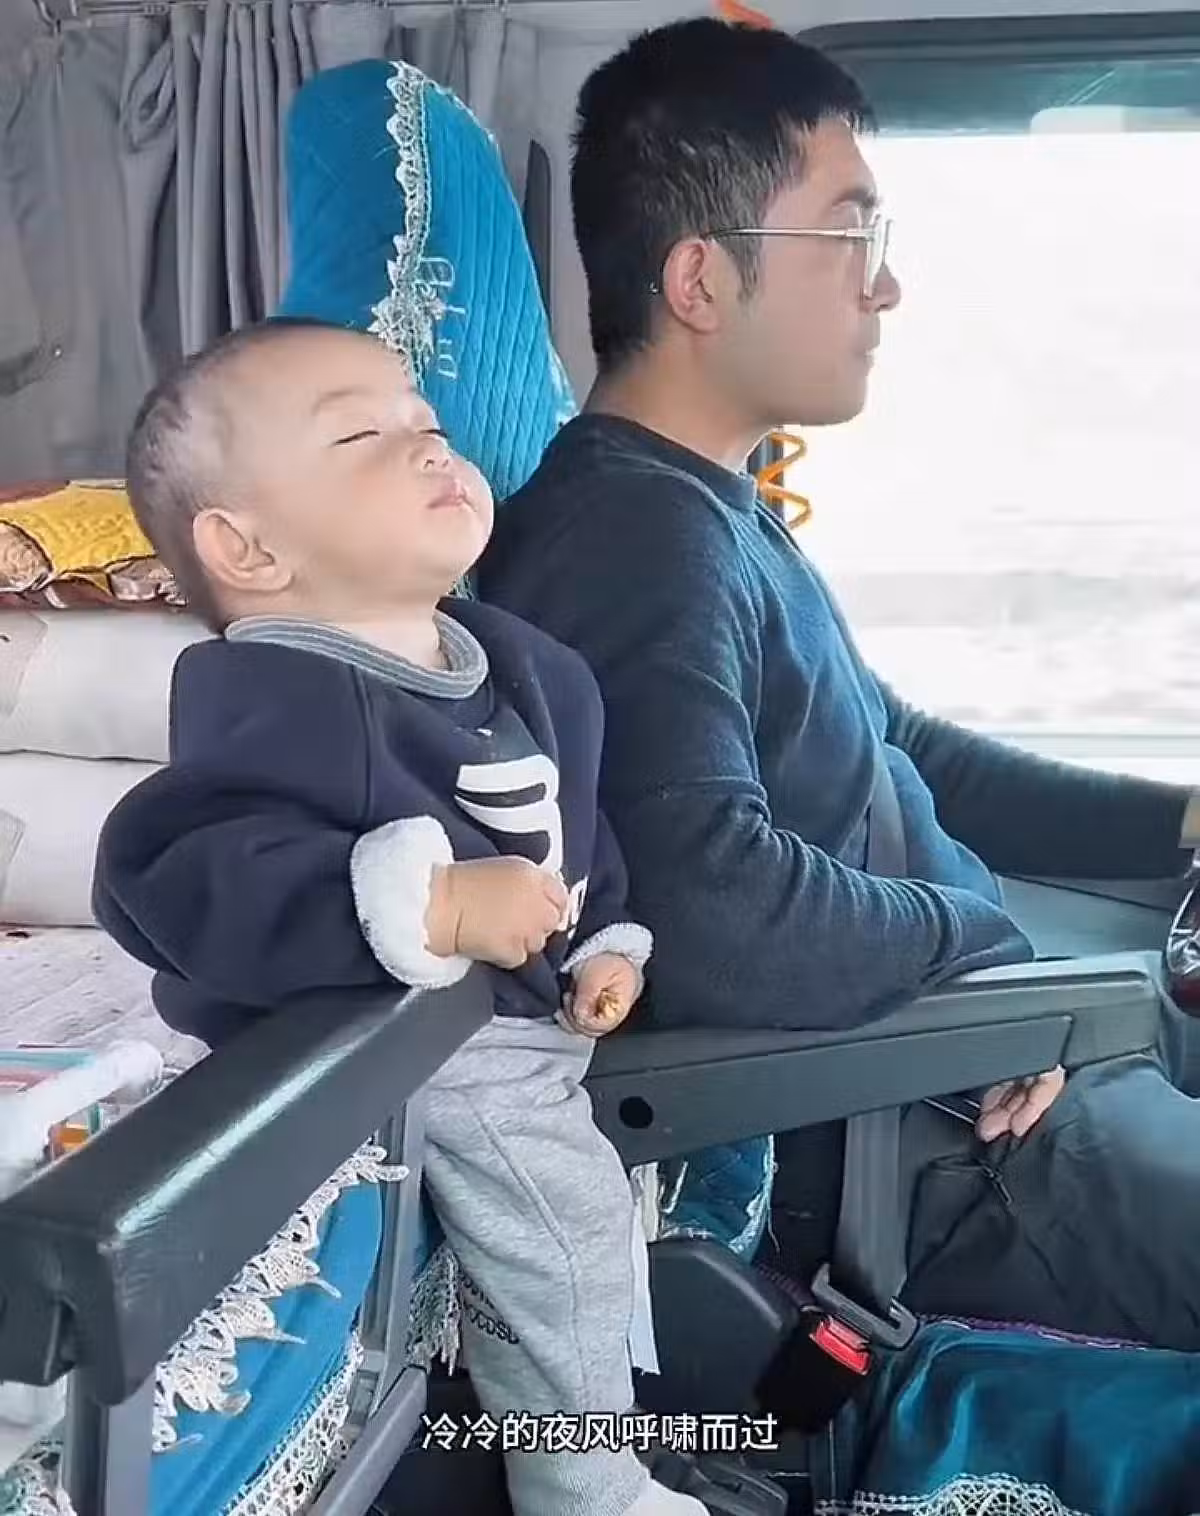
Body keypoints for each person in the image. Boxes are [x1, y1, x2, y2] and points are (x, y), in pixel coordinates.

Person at [479, 17, 1200, 1351]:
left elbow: (899, 746)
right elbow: (708, 907)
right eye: (853, 234)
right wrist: (989, 956)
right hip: (912, 1142)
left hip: (957, 1070)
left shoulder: (714, 504)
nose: (888, 287)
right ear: (702, 279)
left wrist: (1173, 822)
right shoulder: (631, 538)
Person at [91, 317, 713, 1516]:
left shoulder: (522, 664)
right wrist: (420, 901)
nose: (429, 442)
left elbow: (580, 838)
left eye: (424, 418)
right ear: (247, 547)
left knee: (585, 1220)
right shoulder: (279, 688)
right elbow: (172, 869)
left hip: (524, 1023)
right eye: (360, 435)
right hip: (405, 1042)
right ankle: (587, 1485)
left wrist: (605, 942)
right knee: (566, 1226)